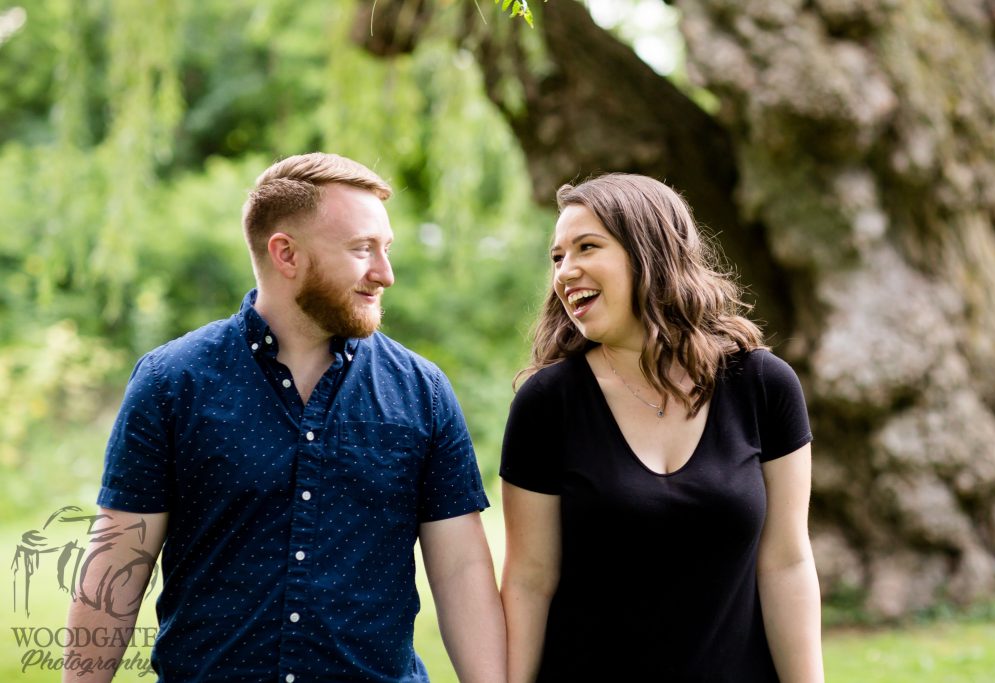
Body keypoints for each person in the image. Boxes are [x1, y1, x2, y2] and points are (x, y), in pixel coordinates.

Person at [63, 153, 506, 683]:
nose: (385, 273)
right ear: (286, 254)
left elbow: (461, 571)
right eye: (362, 249)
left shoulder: (423, 392)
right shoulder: (170, 383)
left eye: (385, 250)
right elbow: (117, 565)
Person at [499, 174, 824, 682]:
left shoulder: (763, 385)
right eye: (557, 256)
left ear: (648, 252)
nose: (566, 271)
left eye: (587, 247)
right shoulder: (547, 404)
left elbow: (786, 562)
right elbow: (528, 580)